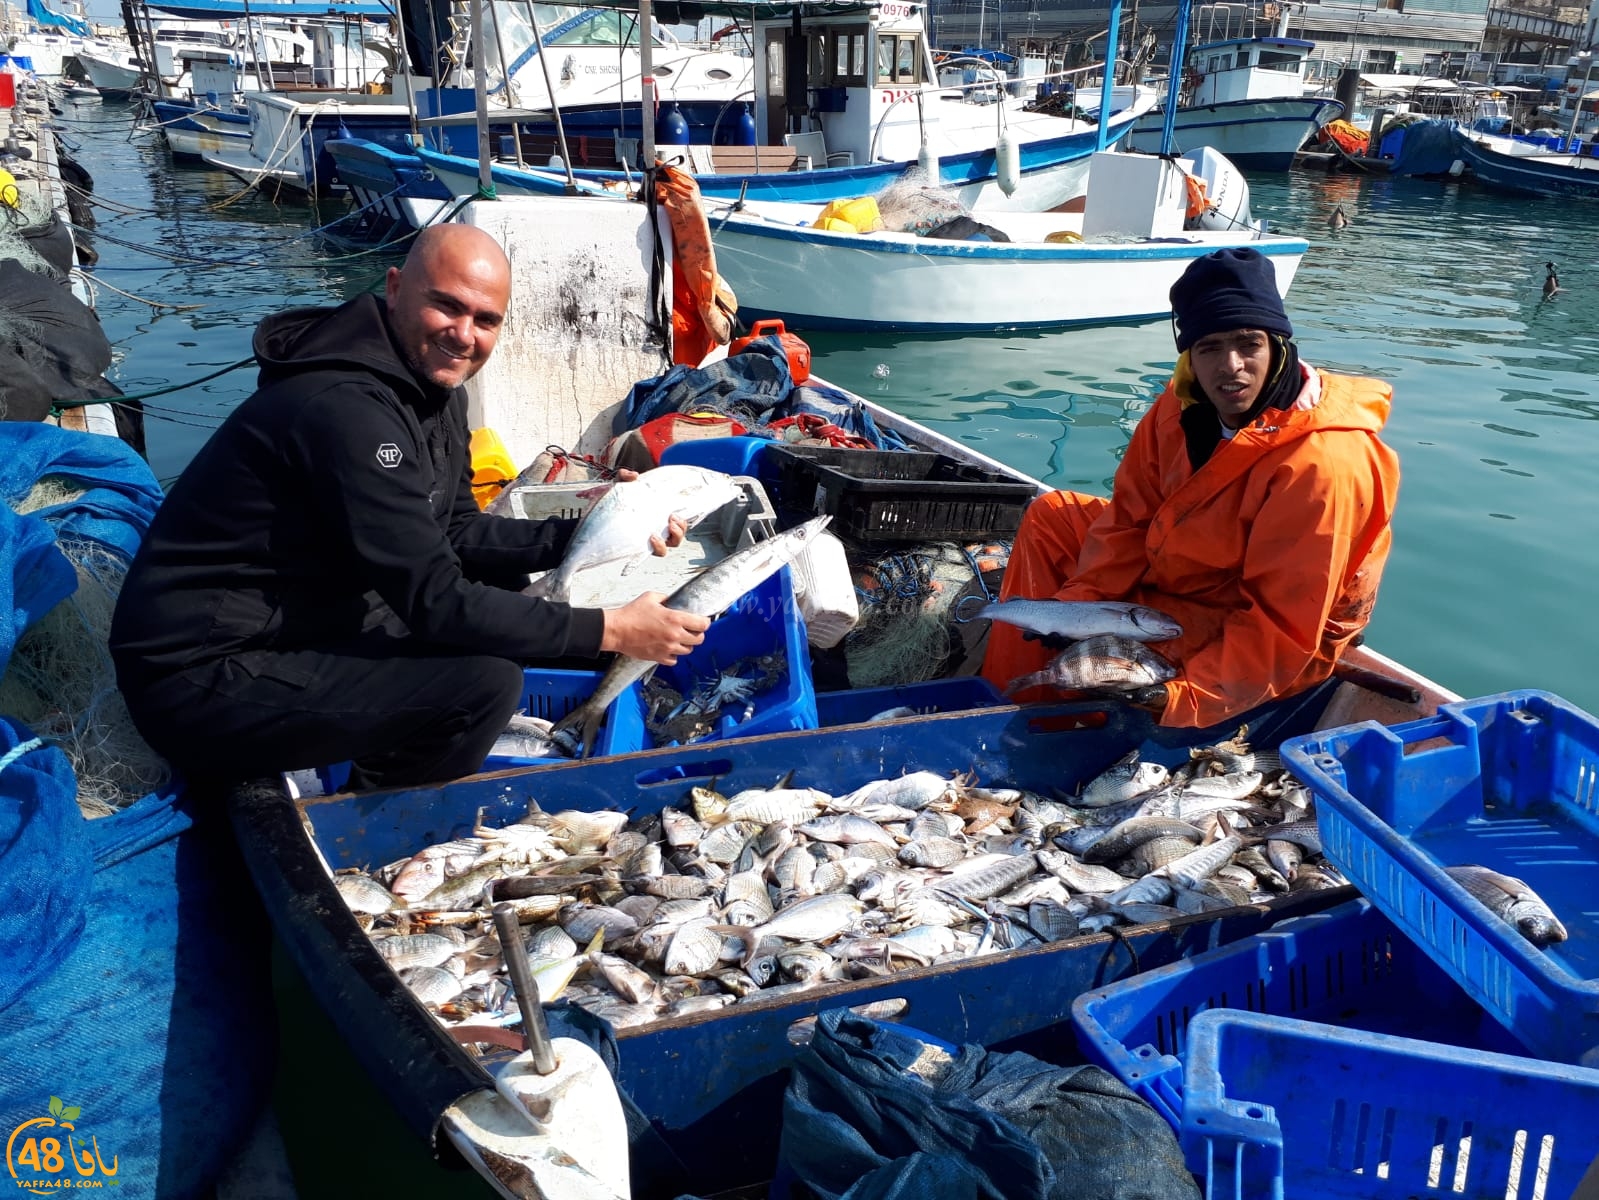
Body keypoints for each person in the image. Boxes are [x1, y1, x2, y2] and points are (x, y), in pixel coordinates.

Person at [110, 223, 709, 791]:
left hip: (305, 619)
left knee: (499, 594)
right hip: (199, 679)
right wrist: (612, 630)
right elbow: (436, 604)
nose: (464, 334)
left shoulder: (433, 388)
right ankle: (377, 828)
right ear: (395, 287)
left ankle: (368, 761)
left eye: (486, 320)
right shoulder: (345, 408)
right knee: (483, 685)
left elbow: (454, 530)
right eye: (447, 306)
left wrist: (599, 524)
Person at [981, 247, 1401, 734]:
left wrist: (1177, 696)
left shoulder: (1322, 464)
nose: (1231, 366)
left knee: (1149, 674)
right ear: (1189, 355)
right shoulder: (1178, 405)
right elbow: (1130, 518)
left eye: (1249, 343)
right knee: (1055, 514)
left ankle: (1069, 725)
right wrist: (1079, 608)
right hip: (1185, 567)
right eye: (1209, 348)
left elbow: (1282, 624)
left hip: (1267, 626)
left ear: (1280, 345)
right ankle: (1007, 705)